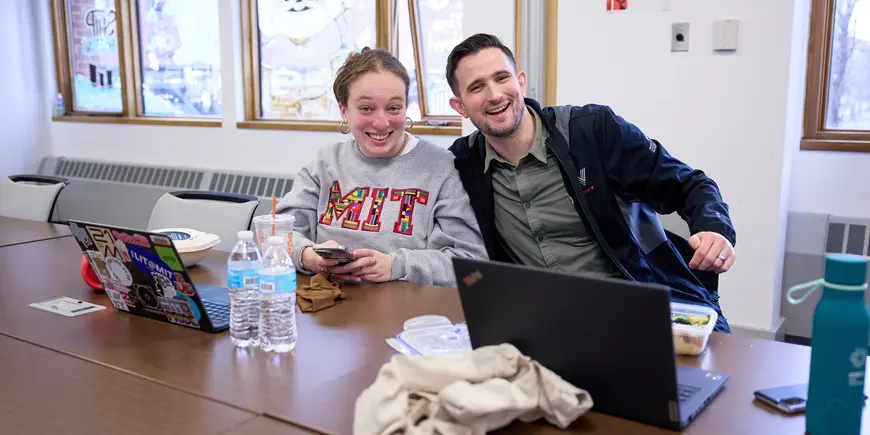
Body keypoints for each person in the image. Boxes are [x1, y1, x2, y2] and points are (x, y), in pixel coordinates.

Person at [445, 34, 736, 332]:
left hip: (641, 309)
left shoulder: (593, 131)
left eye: (501, 77)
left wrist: (713, 229)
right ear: (460, 106)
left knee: (711, 375)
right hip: (546, 324)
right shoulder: (460, 165)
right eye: (477, 87)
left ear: (520, 82)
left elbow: (690, 184)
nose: (494, 95)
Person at [277, 47, 487, 288]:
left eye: (393, 108)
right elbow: (278, 233)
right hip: (328, 310)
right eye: (366, 108)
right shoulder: (324, 163)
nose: (381, 122)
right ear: (344, 111)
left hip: (405, 315)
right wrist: (308, 256)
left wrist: (395, 266)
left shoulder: (441, 168)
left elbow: (471, 268)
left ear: (406, 108)